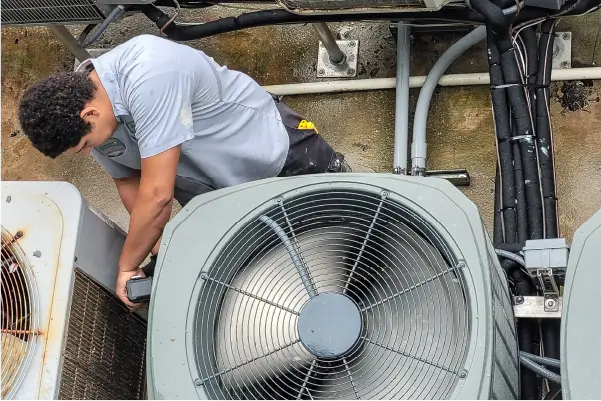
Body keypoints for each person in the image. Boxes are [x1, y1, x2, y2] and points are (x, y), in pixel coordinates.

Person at [17, 34, 349, 308]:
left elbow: (158, 196)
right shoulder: (91, 115)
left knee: (350, 213)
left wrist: (128, 265)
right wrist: (157, 243)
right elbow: (127, 179)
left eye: (85, 146)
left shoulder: (150, 74)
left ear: (89, 114)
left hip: (272, 154)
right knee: (275, 269)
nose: (90, 152)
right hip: (217, 194)